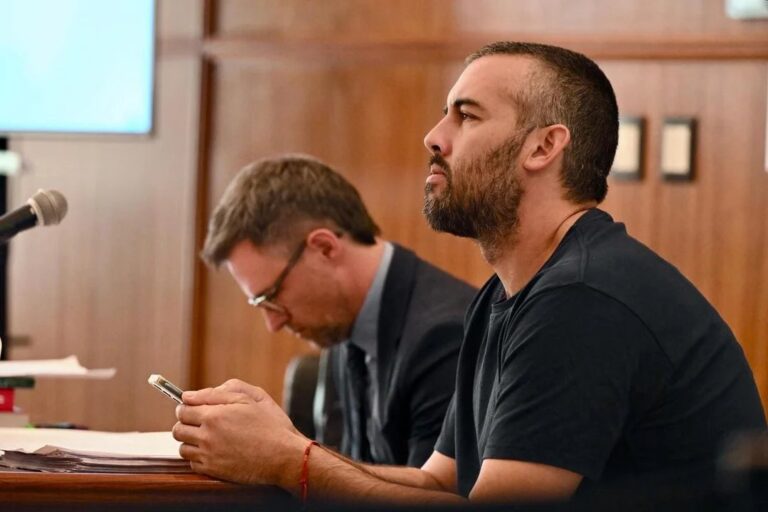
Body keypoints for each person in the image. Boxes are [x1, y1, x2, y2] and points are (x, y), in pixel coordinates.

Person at [173, 42, 766, 504]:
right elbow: (438, 485)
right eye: (443, 115)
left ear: (543, 148)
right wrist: (282, 450)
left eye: (467, 116)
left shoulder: (583, 298)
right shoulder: (507, 295)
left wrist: (290, 462)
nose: (434, 137)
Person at [197, 155, 475, 467]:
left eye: (272, 297)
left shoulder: (446, 335)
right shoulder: (342, 321)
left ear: (325, 248)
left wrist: (285, 456)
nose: (273, 322)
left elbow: (429, 497)